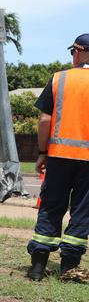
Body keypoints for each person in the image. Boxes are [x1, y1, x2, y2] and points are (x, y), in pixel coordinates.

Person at [27, 34, 89, 281]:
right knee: (83, 211)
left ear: (77, 51)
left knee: (51, 207)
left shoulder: (59, 79)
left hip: (59, 156)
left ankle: (38, 267)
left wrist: (43, 152)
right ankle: (69, 268)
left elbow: (44, 120)